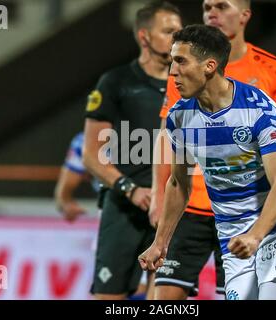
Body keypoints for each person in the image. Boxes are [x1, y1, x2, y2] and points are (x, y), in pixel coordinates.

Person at [149, 0, 276, 300]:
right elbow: (170, 160)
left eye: (221, 6)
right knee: (165, 298)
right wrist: (159, 223)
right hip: (208, 210)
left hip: (269, 209)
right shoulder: (183, 91)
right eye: (207, 6)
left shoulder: (267, 82)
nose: (212, 13)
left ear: (245, 15)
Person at [81, 1, 182, 300]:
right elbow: (91, 154)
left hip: (173, 210)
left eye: (180, 31)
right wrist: (131, 189)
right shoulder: (116, 83)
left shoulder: (189, 86)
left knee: (164, 299)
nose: (177, 37)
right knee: (109, 299)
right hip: (126, 208)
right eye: (168, 31)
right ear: (144, 37)